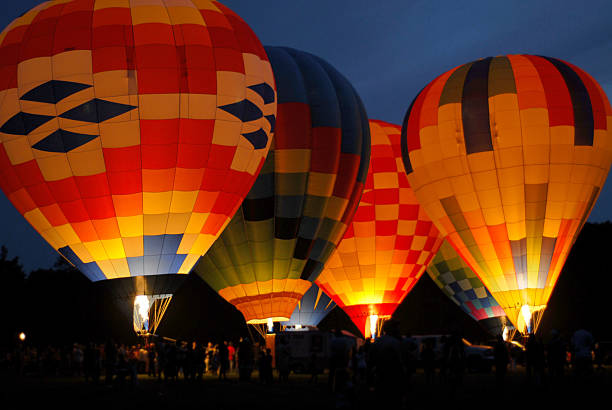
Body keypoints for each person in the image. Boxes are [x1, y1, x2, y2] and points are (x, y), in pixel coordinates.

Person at [369, 320, 404, 407]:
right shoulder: (396, 342)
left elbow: (371, 360)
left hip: (380, 376)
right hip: (393, 377)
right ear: (393, 329)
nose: (399, 330)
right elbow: (401, 360)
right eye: (397, 328)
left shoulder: (378, 342)